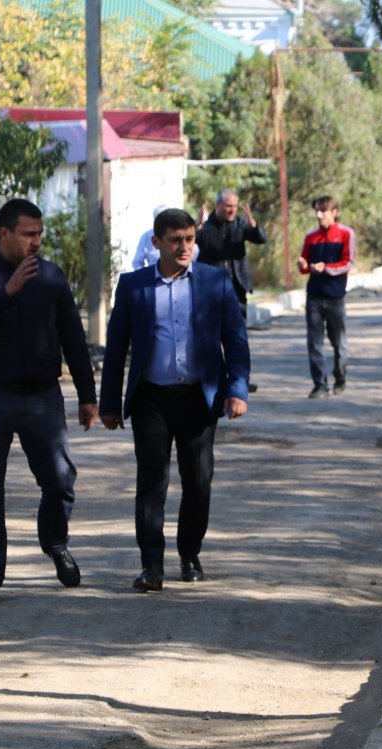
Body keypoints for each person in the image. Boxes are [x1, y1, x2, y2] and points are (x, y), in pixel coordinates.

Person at [0, 198, 98, 605]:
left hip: (42, 398)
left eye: (40, 234)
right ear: (5, 234)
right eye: (28, 234)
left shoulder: (51, 277)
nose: (36, 242)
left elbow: (73, 337)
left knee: (60, 479)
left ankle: (54, 542)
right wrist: (8, 291)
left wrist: (88, 396)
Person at [100, 207, 250, 592]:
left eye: (189, 239)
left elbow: (234, 339)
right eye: (175, 240)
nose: (184, 247)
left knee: (198, 482)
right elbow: (116, 348)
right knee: (152, 483)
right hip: (151, 399)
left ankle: (189, 553)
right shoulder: (134, 286)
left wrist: (237, 390)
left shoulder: (215, 281)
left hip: (199, 398)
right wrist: (109, 403)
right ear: (157, 243)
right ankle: (151, 565)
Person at [197, 189, 265, 393]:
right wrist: (196, 225)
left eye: (234, 206)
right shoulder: (205, 226)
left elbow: (260, 238)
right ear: (217, 205)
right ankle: (214, 381)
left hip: (236, 288)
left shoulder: (240, 224)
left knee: (238, 337)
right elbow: (190, 240)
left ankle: (240, 380)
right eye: (228, 206)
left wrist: (252, 223)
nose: (231, 210)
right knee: (210, 337)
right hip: (210, 289)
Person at [298, 196, 355, 399]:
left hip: (335, 297)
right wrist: (303, 265)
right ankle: (319, 385)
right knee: (314, 342)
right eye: (317, 211)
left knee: (338, 342)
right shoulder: (311, 236)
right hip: (314, 296)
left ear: (335, 212)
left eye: (323, 211)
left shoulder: (346, 234)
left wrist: (326, 268)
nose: (319, 215)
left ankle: (340, 376)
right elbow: (304, 262)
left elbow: (348, 263)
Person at [131, 204, 167, 270]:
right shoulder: (146, 236)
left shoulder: (176, 234)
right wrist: (144, 276)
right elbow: (137, 262)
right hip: (153, 276)